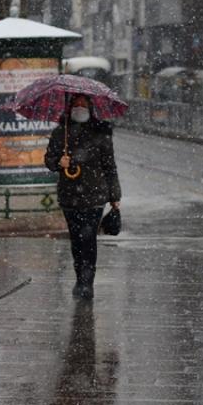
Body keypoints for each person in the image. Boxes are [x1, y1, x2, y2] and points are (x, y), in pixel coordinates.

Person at [45, 95, 121, 299]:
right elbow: (49, 159)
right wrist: (58, 162)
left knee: (88, 238)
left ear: (90, 107)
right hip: (70, 197)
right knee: (76, 240)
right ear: (69, 108)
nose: (79, 108)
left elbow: (110, 167)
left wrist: (115, 195)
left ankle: (87, 282)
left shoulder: (101, 134)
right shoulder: (61, 133)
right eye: (76, 104)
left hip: (95, 196)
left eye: (83, 104)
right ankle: (80, 276)